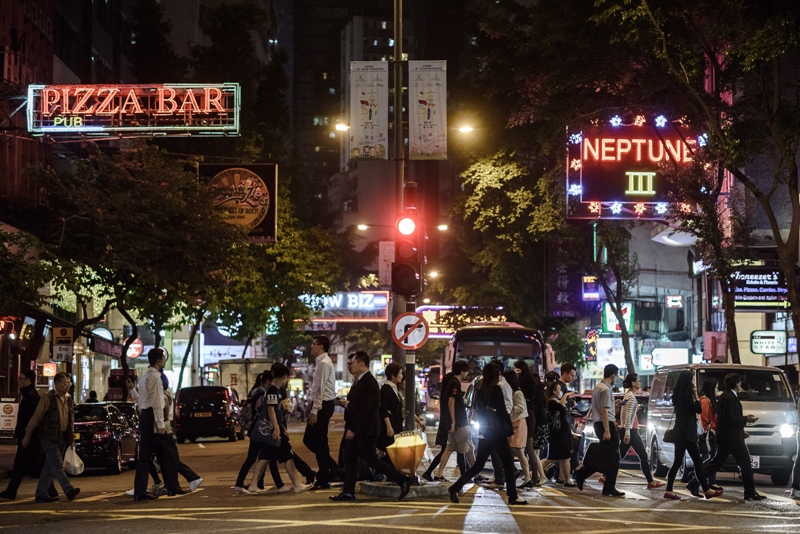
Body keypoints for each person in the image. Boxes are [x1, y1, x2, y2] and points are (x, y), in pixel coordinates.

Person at [329, 351, 412, 502]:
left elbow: (365, 410)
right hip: (362, 428)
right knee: (350, 458)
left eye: (352, 363)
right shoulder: (359, 380)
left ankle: (402, 480)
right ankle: (348, 492)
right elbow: (357, 405)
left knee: (372, 460)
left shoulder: (368, 382)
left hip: (366, 429)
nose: (350, 366)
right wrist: (346, 404)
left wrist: (353, 429)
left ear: (361, 364)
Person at [447, 363, 527, 505]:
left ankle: (455, 487)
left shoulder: (480, 389)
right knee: (508, 464)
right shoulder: (496, 389)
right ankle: (513, 496)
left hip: (487, 431)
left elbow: (478, 410)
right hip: (497, 433)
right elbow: (502, 411)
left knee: (478, 465)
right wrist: (509, 429)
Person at [236, 364, 312, 494]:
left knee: (265, 457)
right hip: (273, 431)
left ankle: (254, 484)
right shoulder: (273, 390)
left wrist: (281, 427)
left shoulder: (272, 390)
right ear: (283, 377)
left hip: (272, 431)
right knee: (287, 455)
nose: (286, 381)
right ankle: (297, 484)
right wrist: (277, 428)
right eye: (287, 378)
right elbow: (270, 410)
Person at [694, 373, 766, 501]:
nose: (741, 385)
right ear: (736, 383)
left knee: (716, 463)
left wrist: (740, 430)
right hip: (732, 438)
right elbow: (729, 418)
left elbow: (725, 419)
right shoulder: (730, 397)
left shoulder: (725, 396)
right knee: (745, 463)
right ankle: (750, 491)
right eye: (739, 382)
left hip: (728, 436)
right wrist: (746, 419)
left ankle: (693, 483)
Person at [663, 370, 723, 500]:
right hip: (687, 434)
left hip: (680, 432)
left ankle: (669, 490)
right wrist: (696, 395)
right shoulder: (686, 396)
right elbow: (698, 408)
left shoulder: (678, 394)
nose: (694, 384)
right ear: (688, 382)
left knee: (678, 462)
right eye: (692, 381)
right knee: (696, 462)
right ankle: (706, 490)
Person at [22, 372, 80, 503]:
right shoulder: (47, 398)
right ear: (57, 384)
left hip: (62, 438)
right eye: (64, 384)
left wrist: (72, 439)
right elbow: (36, 417)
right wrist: (28, 433)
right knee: (58, 465)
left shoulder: (69, 399)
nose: (67, 386)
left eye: (68, 383)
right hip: (48, 437)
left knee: (49, 468)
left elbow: (71, 420)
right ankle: (68, 490)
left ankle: (41, 494)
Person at [0, 370, 56, 501]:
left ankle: (12, 491)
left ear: (28, 381)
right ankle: (12, 491)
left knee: (31, 465)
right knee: (28, 465)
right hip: (28, 437)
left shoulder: (31, 397)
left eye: (21, 379)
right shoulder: (27, 395)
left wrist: (27, 435)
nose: (18, 381)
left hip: (30, 438)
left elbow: (33, 420)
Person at [573, 364, 624, 497]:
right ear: (613, 375)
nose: (616, 378)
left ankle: (585, 474)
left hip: (599, 424)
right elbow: (604, 410)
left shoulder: (598, 387)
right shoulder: (606, 389)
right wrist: (607, 430)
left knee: (606, 455)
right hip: (606, 424)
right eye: (616, 375)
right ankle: (608, 486)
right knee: (613, 456)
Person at [132, 348, 173, 501]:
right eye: (163, 357)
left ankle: (163, 486)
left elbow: (139, 400)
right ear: (158, 361)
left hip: (145, 416)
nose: (164, 360)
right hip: (152, 417)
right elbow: (157, 402)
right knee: (163, 452)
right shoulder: (156, 378)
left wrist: (131, 390)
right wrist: (160, 424)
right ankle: (144, 490)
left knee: (152, 454)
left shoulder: (144, 377)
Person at [429, 361, 475, 481]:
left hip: (456, 422)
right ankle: (474, 474)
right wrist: (454, 422)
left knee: (449, 449)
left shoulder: (451, 382)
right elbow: (451, 402)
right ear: (462, 371)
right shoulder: (455, 383)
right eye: (466, 371)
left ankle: (439, 474)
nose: (467, 374)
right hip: (460, 422)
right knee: (469, 448)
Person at [303, 335, 338, 490]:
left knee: (317, 440)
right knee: (313, 440)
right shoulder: (321, 363)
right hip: (322, 404)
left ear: (321, 346)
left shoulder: (324, 363)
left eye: (314, 344)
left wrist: (315, 410)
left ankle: (325, 476)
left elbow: (321, 389)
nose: (311, 346)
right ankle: (332, 469)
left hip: (323, 405)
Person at [618, 373, 663, 489]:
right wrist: (627, 431)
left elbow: (624, 410)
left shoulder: (627, 396)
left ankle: (605, 475)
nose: (640, 383)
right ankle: (650, 481)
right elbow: (627, 415)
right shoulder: (631, 398)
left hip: (629, 429)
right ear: (633, 383)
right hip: (631, 431)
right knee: (642, 455)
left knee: (620, 455)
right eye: (638, 380)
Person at [514, 361, 547, 487]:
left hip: (528, 416)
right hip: (529, 415)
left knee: (529, 447)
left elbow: (528, 401)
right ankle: (534, 476)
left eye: (516, 369)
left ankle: (534, 476)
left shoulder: (526, 383)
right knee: (528, 448)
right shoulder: (527, 382)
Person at [541, 381, 575, 486]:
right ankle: (567, 480)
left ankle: (563, 479)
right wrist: (566, 395)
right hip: (558, 434)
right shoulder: (552, 402)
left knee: (559, 458)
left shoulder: (555, 401)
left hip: (561, 433)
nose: (560, 391)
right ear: (554, 391)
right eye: (559, 389)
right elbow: (559, 408)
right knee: (560, 457)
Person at [503, 370, 531, 487]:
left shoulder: (517, 393)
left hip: (518, 422)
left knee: (519, 450)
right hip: (515, 422)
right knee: (515, 451)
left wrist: (508, 407)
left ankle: (527, 477)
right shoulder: (513, 392)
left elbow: (520, 408)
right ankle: (521, 475)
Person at [377, 362, 404, 463]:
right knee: (391, 452)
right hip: (391, 426)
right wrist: (389, 426)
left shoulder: (394, 388)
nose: (402, 376)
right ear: (393, 375)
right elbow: (384, 409)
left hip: (395, 424)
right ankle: (384, 472)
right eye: (400, 373)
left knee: (393, 452)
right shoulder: (387, 389)